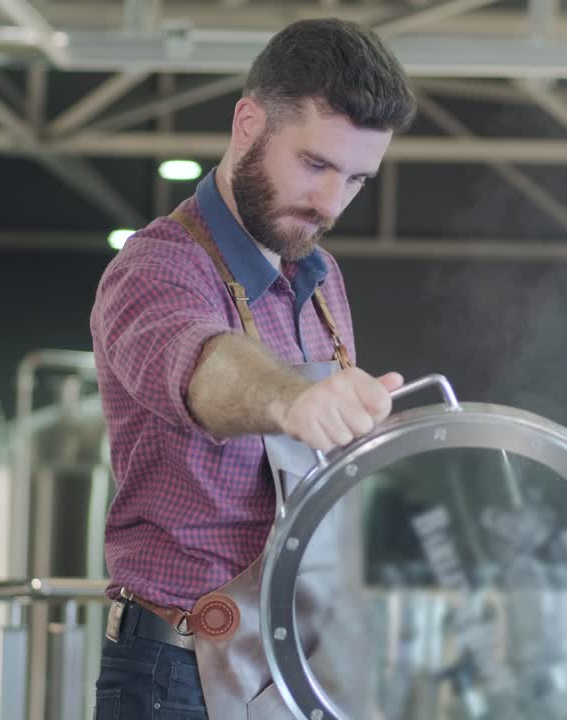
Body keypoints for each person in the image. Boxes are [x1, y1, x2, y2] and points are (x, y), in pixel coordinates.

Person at [89, 17, 416, 720]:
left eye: (357, 178)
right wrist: (291, 401)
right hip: (177, 676)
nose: (331, 203)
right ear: (248, 124)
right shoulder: (157, 268)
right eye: (316, 164)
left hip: (291, 671)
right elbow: (202, 365)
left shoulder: (323, 281)